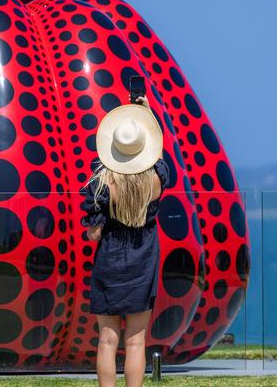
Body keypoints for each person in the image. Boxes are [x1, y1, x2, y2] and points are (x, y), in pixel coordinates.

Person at [80, 94, 170, 387]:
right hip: (144, 259)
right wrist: (148, 115)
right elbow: (158, 156)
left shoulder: (103, 184)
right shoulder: (157, 178)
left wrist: (102, 219)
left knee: (107, 340)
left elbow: (93, 235)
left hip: (111, 259)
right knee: (136, 341)